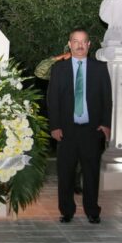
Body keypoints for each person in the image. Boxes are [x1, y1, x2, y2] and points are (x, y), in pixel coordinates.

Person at [47, 28, 112, 224]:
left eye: (84, 41)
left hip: (91, 131)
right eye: (76, 41)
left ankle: (92, 210)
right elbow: (53, 100)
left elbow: (107, 99)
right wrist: (55, 126)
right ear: (69, 44)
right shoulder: (59, 69)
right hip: (66, 131)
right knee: (65, 172)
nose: (80, 45)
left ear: (89, 45)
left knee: (91, 173)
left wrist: (106, 124)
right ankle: (67, 210)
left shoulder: (100, 68)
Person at [34, 46, 84, 195]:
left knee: (81, 152)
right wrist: (59, 57)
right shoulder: (58, 70)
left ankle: (77, 182)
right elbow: (39, 71)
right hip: (63, 118)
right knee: (66, 153)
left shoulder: (85, 67)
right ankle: (68, 182)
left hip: (83, 116)